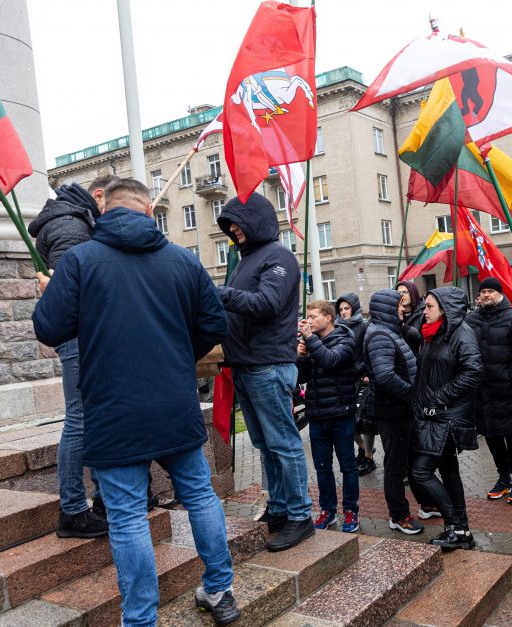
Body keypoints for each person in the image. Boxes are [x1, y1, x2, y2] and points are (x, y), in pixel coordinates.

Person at [32, 179, 239, 625]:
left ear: (104, 209)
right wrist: (177, 357)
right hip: (173, 402)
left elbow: (48, 328)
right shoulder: (183, 261)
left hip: (113, 408)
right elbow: (214, 324)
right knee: (200, 495)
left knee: (127, 517)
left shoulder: (81, 260)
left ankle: (141, 619)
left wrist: (52, 291)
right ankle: (221, 591)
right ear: (149, 212)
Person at [217, 193, 313, 552]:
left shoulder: (279, 257)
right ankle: (279, 508)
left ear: (256, 220)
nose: (233, 230)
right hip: (245, 366)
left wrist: (221, 295)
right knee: (265, 445)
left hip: (268, 366)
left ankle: (301, 516)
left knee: (284, 445)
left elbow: (267, 304)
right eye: (229, 226)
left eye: (238, 223)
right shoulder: (247, 261)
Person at [29, 174, 117, 538]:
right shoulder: (70, 223)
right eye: (113, 206)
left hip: (85, 333)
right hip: (79, 334)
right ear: (99, 196)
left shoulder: (77, 220)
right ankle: (73, 510)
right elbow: (72, 287)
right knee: (80, 418)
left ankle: (97, 502)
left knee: (88, 417)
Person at [410, 287, 483, 550]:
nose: (424, 312)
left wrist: (439, 397)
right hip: (433, 415)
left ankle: (455, 525)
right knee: (449, 472)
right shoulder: (435, 333)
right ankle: (461, 531)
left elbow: (473, 371)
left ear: (445, 309)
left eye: (429, 307)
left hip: (446, 416)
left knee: (420, 473)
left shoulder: (461, 334)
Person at [465, 278, 512, 504]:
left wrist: (510, 376)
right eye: (483, 291)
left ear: (500, 294)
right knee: (492, 437)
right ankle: (503, 477)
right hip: (481, 392)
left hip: (507, 390)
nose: (486, 295)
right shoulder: (471, 319)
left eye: (490, 291)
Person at [363, 289, 423, 535]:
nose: (402, 309)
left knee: (408, 460)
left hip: (400, 409)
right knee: (395, 466)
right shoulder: (379, 335)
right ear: (386, 308)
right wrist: (410, 394)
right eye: (398, 305)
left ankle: (424, 504)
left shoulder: (389, 330)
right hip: (392, 411)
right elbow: (385, 375)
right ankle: (398, 516)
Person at [297, 300, 360, 534]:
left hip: (341, 413)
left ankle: (351, 510)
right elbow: (302, 377)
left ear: (328, 318)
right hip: (317, 415)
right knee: (322, 467)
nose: (309, 321)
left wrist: (311, 342)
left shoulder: (345, 339)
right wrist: (301, 356)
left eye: (313, 317)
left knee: (348, 467)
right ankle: (327, 510)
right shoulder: (312, 342)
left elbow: (331, 361)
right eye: (308, 317)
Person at [336, 293, 376, 477]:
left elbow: (369, 352)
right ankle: (362, 448)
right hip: (344, 379)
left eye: (347, 308)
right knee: (347, 420)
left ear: (354, 307)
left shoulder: (365, 326)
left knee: (365, 420)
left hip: (362, 379)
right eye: (341, 309)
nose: (344, 312)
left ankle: (368, 456)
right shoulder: (336, 327)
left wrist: (365, 372)